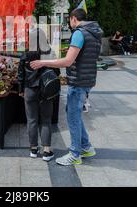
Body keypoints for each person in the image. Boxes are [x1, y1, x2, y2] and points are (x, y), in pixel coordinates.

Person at [30, 9, 103, 166]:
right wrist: (67, 51)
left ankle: (75, 154)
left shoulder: (79, 33)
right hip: (88, 79)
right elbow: (84, 55)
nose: (69, 24)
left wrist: (43, 62)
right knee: (74, 113)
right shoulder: (94, 32)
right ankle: (86, 147)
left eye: (69, 20)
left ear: (73, 19)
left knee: (73, 117)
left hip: (78, 82)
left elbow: (68, 62)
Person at [18, 28, 58, 162]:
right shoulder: (49, 53)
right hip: (46, 91)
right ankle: (46, 151)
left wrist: (21, 90)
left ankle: (33, 150)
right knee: (46, 120)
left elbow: (20, 75)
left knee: (32, 120)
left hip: (29, 90)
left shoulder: (25, 54)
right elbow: (56, 73)